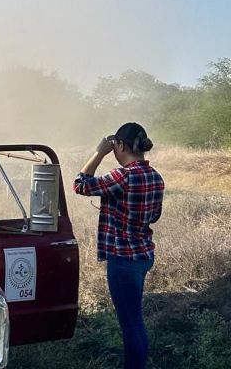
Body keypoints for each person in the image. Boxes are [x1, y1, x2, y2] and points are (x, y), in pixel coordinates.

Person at [73, 122, 165, 369]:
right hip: (143, 255)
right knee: (134, 319)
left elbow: (80, 184)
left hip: (123, 259)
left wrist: (99, 152)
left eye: (114, 146)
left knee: (132, 323)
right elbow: (154, 215)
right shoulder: (155, 177)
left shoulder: (122, 176)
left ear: (121, 145)